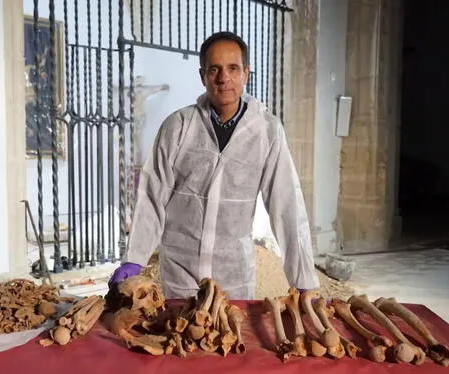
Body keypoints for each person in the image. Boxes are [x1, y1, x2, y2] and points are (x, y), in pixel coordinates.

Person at [108, 31, 319, 299]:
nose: (224, 78)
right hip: (180, 271)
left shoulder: (267, 131)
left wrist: (302, 277)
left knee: (230, 336)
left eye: (233, 68)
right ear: (202, 75)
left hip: (233, 275)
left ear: (246, 73)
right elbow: (152, 194)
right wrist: (135, 257)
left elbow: (286, 204)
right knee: (179, 335)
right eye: (214, 69)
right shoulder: (178, 126)